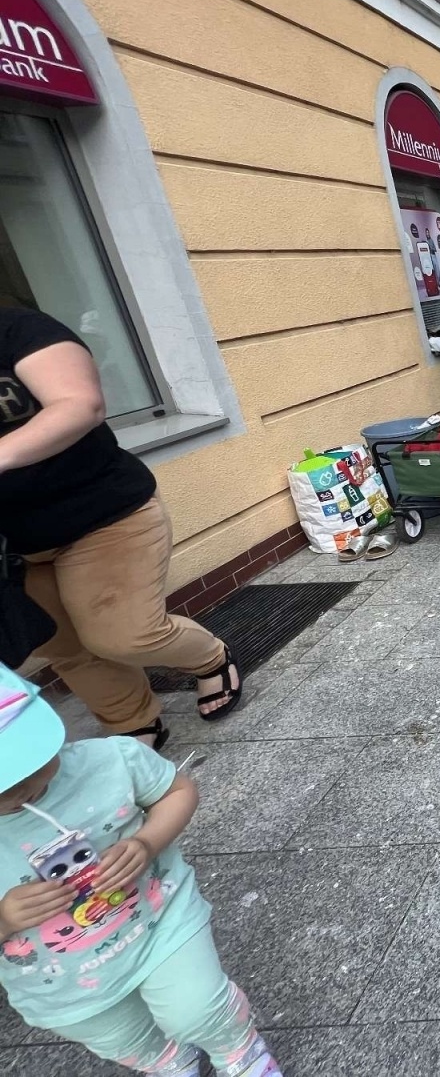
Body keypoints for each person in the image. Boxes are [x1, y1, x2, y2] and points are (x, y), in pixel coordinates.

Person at [0, 667, 282, 1076]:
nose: (21, 787)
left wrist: (147, 842)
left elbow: (177, 791)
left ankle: (239, 1050)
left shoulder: (109, 760)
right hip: (59, 982)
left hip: (156, 919)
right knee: (117, 1036)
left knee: (198, 1007)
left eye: (29, 761)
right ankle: (168, 1062)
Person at [2, 306, 242, 750]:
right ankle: (131, 721)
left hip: (103, 515)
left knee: (125, 635)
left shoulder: (16, 328)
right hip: (13, 546)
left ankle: (211, 658)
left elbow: (79, 404)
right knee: (64, 646)